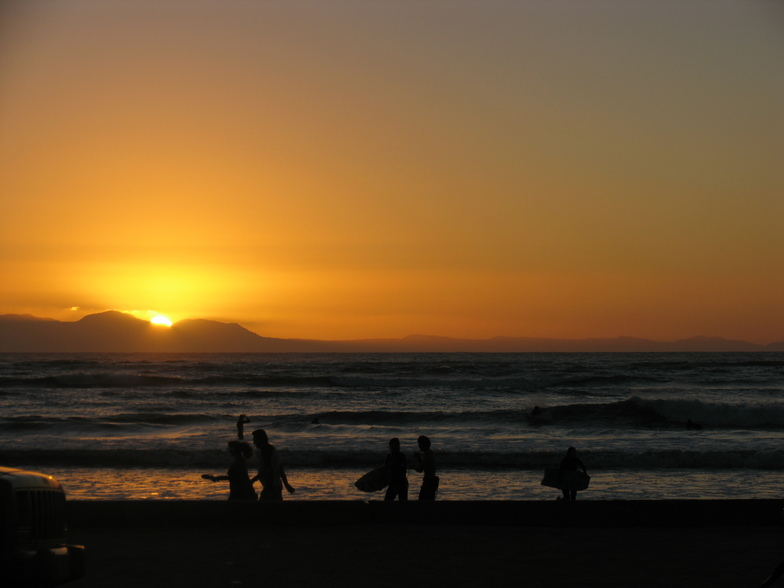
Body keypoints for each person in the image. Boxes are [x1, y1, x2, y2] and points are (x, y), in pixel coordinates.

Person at [250, 429, 295, 501]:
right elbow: (280, 468)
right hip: (274, 486)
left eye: (255, 440)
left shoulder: (267, 451)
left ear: (260, 440)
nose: (254, 442)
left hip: (271, 487)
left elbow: (267, 470)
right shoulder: (269, 449)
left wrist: (253, 480)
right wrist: (286, 484)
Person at [414, 435, 439, 500]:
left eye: (419, 444)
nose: (419, 446)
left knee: (422, 500)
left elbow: (420, 469)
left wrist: (417, 459)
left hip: (428, 482)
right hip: (432, 481)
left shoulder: (427, 454)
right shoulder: (431, 453)